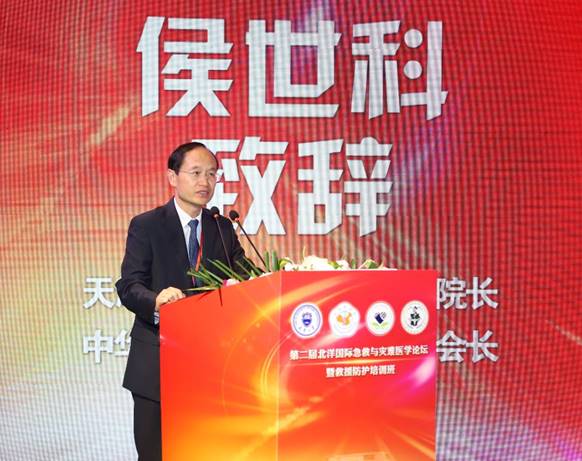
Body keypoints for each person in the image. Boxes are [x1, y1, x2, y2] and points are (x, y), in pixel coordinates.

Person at [116, 142, 247, 461]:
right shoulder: (147, 225)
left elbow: (245, 275)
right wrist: (155, 301)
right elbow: (129, 285)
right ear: (172, 177)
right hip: (156, 364)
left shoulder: (222, 227)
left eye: (212, 174)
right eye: (196, 173)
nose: (205, 182)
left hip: (210, 365)